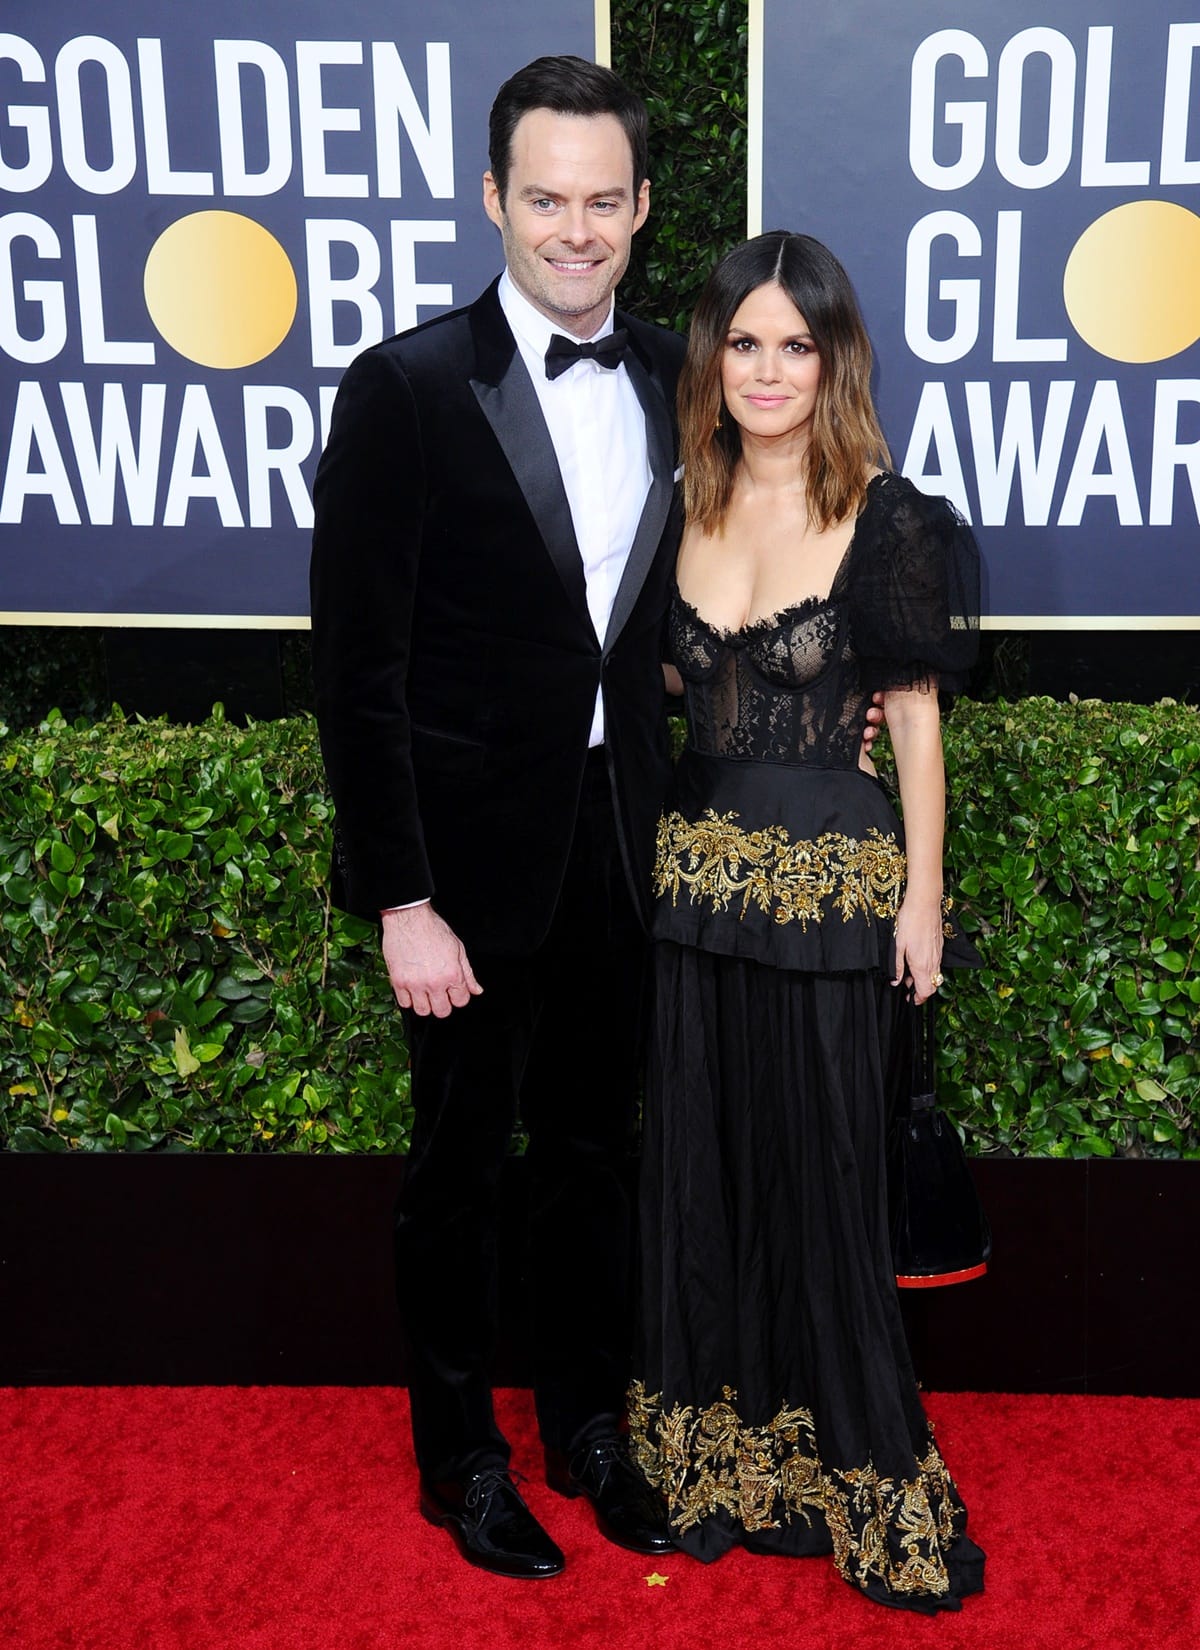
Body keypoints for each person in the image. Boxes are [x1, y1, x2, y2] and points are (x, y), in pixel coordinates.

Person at [308, 56, 685, 1580]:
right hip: (464, 870)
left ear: (644, 207)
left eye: (604, 200)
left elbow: (673, 617)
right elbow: (357, 669)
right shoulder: (402, 388)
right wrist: (402, 897)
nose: (575, 229)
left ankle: (589, 1420)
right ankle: (461, 1454)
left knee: (596, 1147)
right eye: (545, 198)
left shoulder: (680, 374)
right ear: (492, 200)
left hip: (623, 839)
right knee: (459, 1163)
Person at [627, 232, 986, 1612]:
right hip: (693, 892)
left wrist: (924, 898)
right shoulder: (681, 503)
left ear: (831, 360)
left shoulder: (891, 518)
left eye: (796, 343)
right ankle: (726, 1466)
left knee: (826, 1182)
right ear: (711, 356)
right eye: (744, 341)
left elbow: (912, 720)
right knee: (706, 1177)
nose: (768, 370)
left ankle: (862, 1471)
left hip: (832, 893)